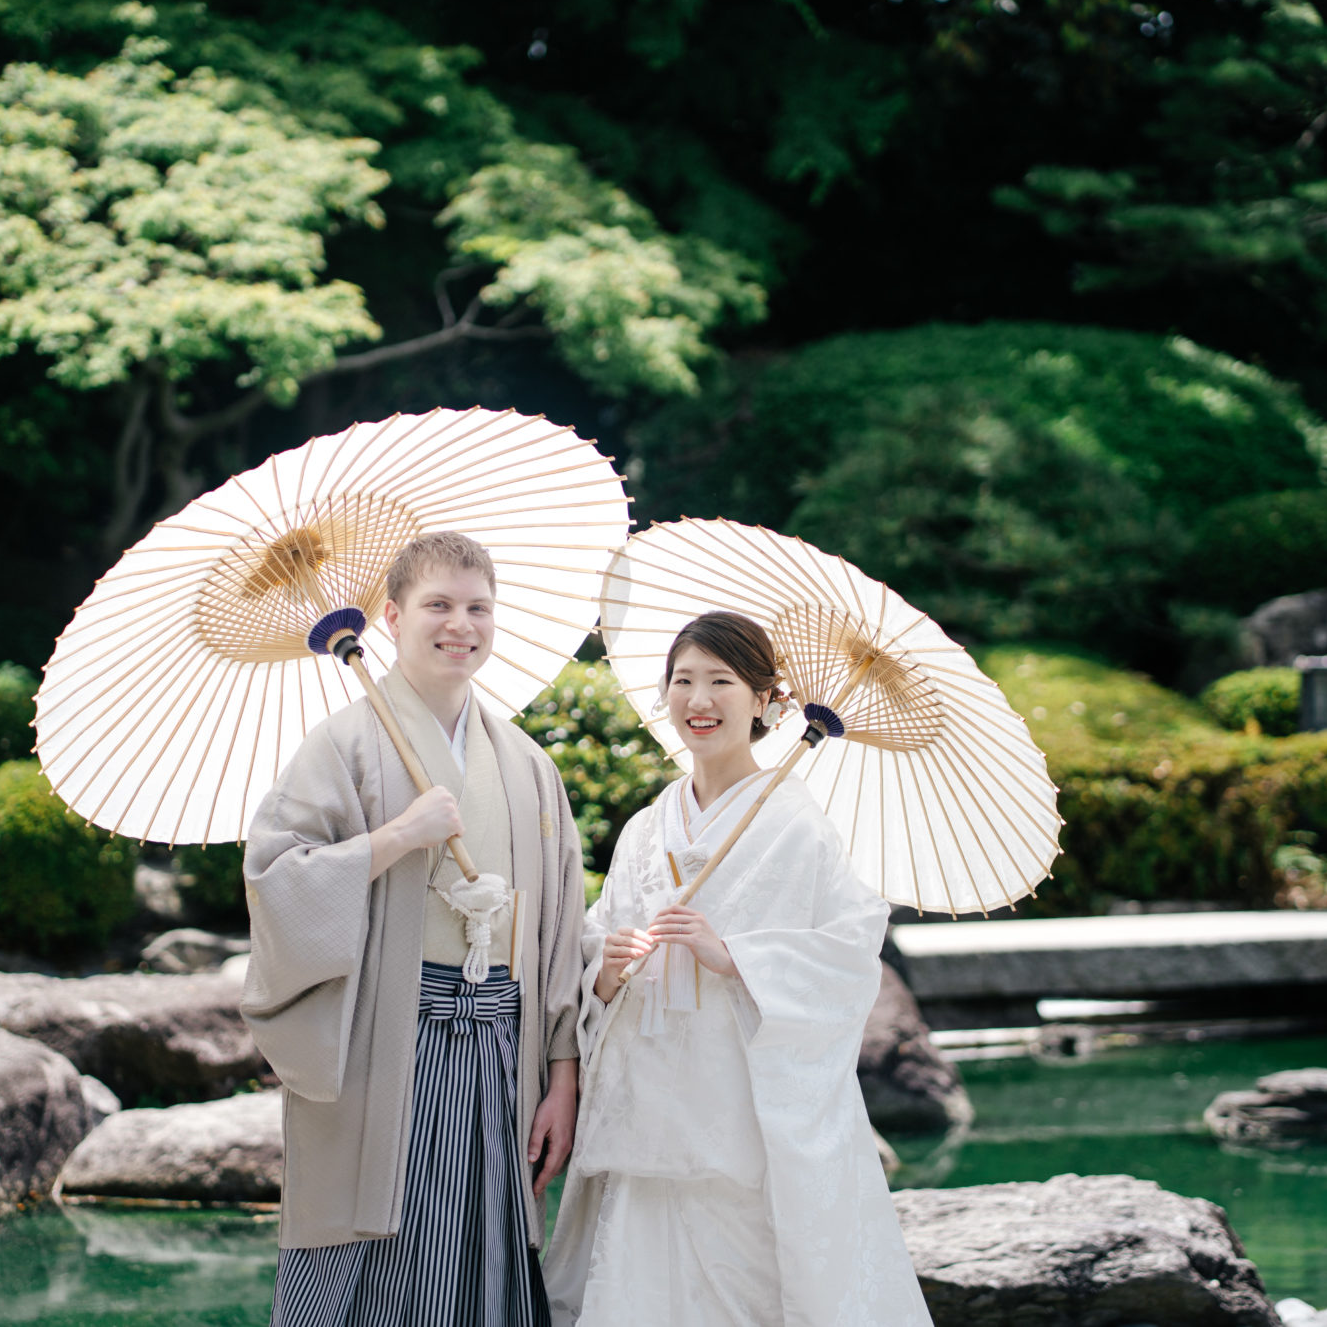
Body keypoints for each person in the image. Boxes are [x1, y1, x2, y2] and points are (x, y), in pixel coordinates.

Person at [546, 611, 934, 1327]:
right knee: (637, 1281)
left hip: (741, 1116)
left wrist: (738, 957)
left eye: (721, 680)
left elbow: (849, 952)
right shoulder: (646, 826)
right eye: (684, 680)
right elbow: (595, 945)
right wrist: (607, 968)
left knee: (748, 1287)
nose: (699, 699)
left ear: (764, 700)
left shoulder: (796, 823)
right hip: (648, 1104)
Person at [242, 531, 584, 1327]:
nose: (459, 624)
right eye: (438, 604)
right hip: (387, 1037)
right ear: (392, 616)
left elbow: (562, 930)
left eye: (477, 607)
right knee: (366, 1259)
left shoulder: (529, 763)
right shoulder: (345, 742)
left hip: (501, 1044)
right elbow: (275, 875)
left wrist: (562, 1073)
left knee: (479, 1255)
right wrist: (393, 837)